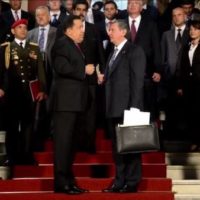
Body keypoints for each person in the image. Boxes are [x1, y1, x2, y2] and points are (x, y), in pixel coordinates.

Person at [50, 15, 94, 194]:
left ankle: (69, 180)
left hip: (76, 103)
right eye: (79, 27)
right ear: (68, 30)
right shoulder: (62, 43)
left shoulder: (75, 46)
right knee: (63, 145)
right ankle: (62, 183)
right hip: (66, 104)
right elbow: (61, 67)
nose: (82, 30)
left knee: (71, 145)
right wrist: (83, 70)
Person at [101, 20, 145, 193]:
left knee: (131, 147)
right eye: (109, 30)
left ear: (123, 32)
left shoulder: (135, 51)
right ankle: (119, 181)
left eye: (112, 30)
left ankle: (132, 182)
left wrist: (134, 107)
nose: (109, 33)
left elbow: (137, 81)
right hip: (113, 107)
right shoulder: (112, 52)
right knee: (118, 148)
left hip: (128, 108)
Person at [0, 19, 46, 165]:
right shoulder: (6, 48)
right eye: (19, 27)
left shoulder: (34, 48)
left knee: (28, 125)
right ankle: (11, 156)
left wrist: (42, 89)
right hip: (11, 92)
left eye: (25, 27)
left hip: (29, 93)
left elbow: (40, 70)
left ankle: (27, 156)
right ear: (13, 31)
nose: (23, 30)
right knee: (11, 125)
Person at [126, 0, 161, 121]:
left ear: (142, 8)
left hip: (147, 72)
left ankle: (147, 136)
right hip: (124, 73)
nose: (132, 5)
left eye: (136, 3)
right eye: (130, 3)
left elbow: (156, 47)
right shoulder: (120, 23)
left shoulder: (150, 24)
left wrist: (157, 69)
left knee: (146, 105)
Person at [160, 7, 189, 140]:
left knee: (186, 109)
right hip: (169, 79)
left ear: (185, 16)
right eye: (174, 15)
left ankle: (185, 137)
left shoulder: (192, 32)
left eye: (179, 15)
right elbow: (162, 56)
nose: (176, 17)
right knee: (170, 109)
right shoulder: (166, 35)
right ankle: (171, 137)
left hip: (187, 80)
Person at [177, 19, 200, 150]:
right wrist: (180, 86)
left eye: (196, 29)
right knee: (191, 113)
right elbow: (182, 67)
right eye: (191, 29)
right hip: (189, 85)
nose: (193, 31)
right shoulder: (186, 46)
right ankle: (194, 141)